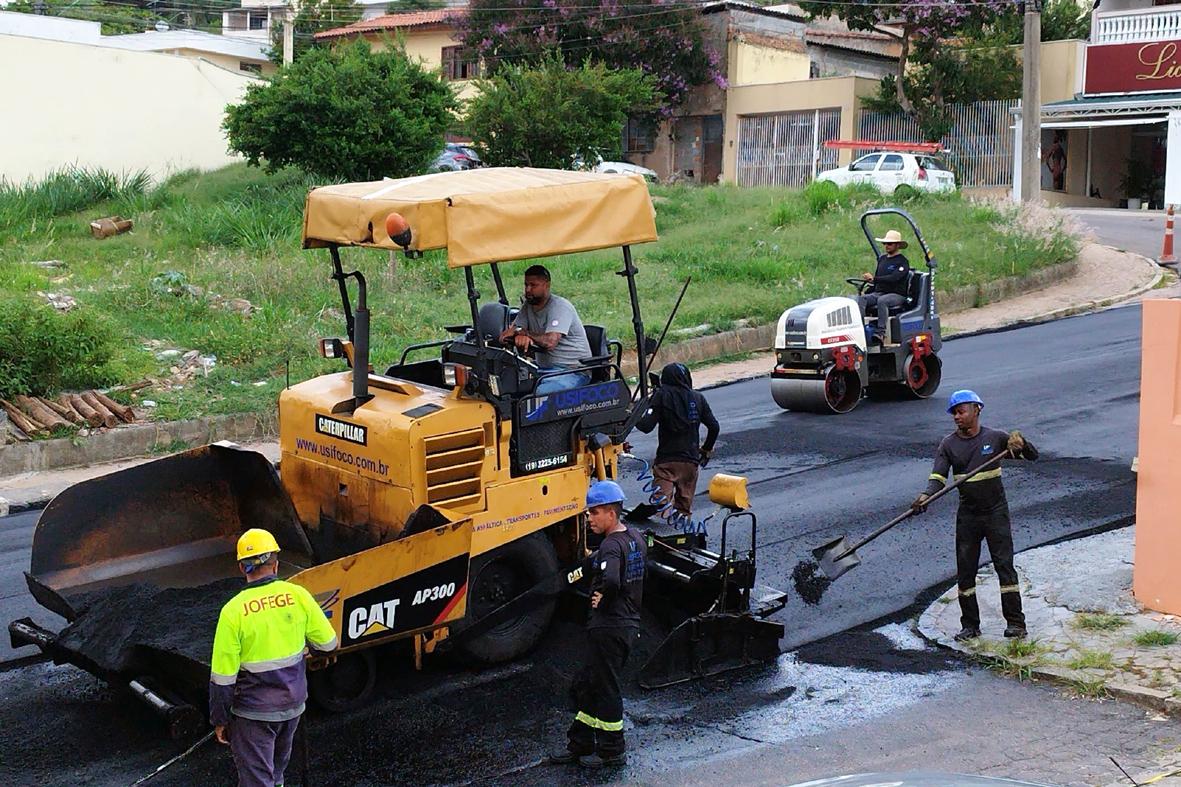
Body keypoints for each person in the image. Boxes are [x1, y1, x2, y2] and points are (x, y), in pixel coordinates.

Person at [210, 528, 338, 787]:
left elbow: (223, 678)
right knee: (276, 775)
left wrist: (220, 720)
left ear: (241, 568)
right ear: (276, 564)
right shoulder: (298, 595)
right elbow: (329, 644)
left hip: (254, 713)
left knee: (258, 780)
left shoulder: (233, 612)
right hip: (292, 706)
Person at [910, 390, 1038, 642]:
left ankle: (1016, 623)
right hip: (968, 515)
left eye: (961, 411)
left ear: (976, 409)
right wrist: (926, 496)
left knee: (1004, 567)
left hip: (995, 513)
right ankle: (969, 626)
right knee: (965, 571)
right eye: (954, 413)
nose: (957, 417)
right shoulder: (948, 445)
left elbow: (1032, 456)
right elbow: (938, 477)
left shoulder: (997, 438)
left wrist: (1022, 442)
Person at [548, 480, 646, 769]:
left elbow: (613, 579)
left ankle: (613, 750)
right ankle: (580, 743)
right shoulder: (635, 538)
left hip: (609, 627)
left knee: (606, 688)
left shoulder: (612, 545)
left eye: (595, 513)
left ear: (611, 514)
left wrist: (601, 596)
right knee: (589, 684)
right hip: (626, 624)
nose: (589, 518)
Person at [634, 363, 720, 534]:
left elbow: (645, 426)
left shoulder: (661, 396)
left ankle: (664, 541)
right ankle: (682, 540)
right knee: (683, 510)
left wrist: (635, 411)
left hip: (667, 463)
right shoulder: (698, 398)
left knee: (662, 508)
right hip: (690, 463)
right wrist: (706, 450)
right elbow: (714, 427)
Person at [498, 264, 593, 395]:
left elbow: (550, 342)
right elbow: (506, 336)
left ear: (546, 285)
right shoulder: (528, 306)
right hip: (543, 369)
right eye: (526, 285)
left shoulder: (560, 307)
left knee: (543, 392)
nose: (528, 290)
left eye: (533, 285)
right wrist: (519, 336)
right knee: (510, 388)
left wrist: (525, 333)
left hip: (572, 371)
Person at [856, 229, 912, 344]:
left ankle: (880, 333)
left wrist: (874, 279)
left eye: (890, 243)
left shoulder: (902, 262)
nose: (887, 246)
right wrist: (868, 290)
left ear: (897, 245)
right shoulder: (882, 259)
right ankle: (859, 329)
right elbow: (878, 280)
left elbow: (894, 278)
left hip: (897, 295)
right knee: (861, 300)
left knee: (883, 301)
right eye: (885, 243)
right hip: (880, 293)